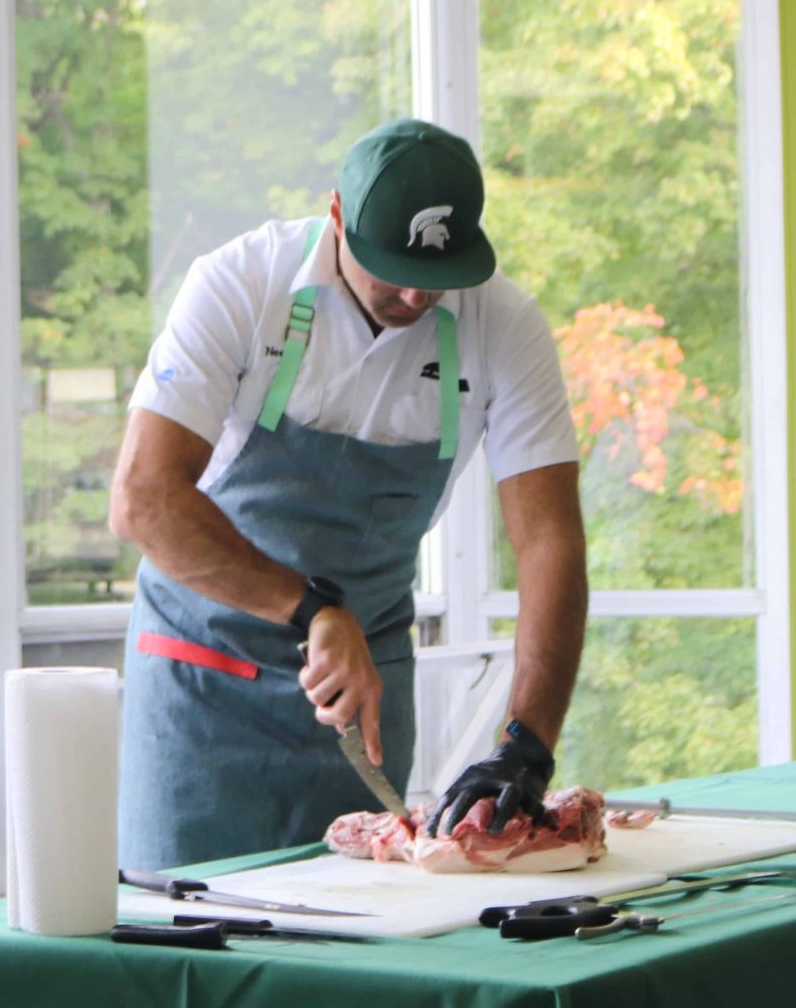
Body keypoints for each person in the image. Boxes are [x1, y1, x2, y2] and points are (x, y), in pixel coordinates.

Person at [107, 118, 588, 868]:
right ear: (336, 215)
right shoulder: (240, 283)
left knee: (357, 945)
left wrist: (527, 743)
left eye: (437, 274)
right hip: (202, 689)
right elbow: (143, 499)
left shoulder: (507, 326)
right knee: (186, 946)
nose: (413, 292)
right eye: (391, 266)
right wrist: (311, 608)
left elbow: (549, 537)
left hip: (361, 700)